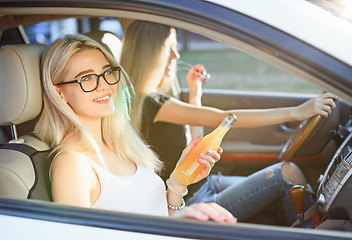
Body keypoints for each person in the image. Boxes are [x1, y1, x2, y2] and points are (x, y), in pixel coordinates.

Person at [119, 20, 338, 225]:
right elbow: (222, 118)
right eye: (169, 49)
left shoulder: (154, 99)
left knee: (289, 176)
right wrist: (295, 112)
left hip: (204, 184)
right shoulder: (152, 103)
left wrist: (195, 94)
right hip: (191, 199)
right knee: (286, 174)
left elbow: (195, 144)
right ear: (150, 54)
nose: (176, 56)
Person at [33, 34, 237, 223]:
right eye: (86, 78)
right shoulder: (72, 163)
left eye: (106, 72)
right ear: (58, 92)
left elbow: (156, 216)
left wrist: (177, 183)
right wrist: (175, 222)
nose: (104, 85)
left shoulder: (120, 144)